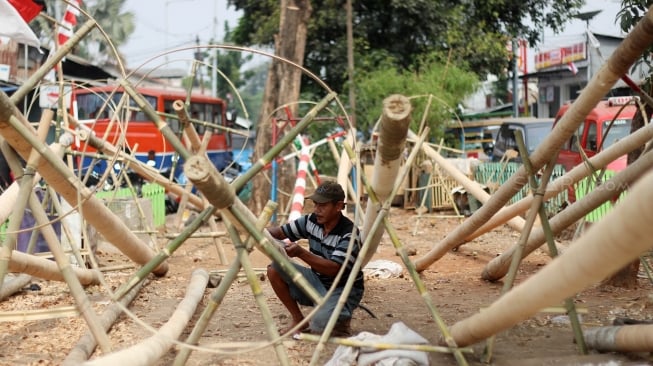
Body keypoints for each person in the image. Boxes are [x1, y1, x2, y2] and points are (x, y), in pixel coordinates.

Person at [266, 181, 364, 337]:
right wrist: (257, 231)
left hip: (342, 289)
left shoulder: (349, 234)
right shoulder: (311, 221)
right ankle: (299, 319)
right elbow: (279, 233)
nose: (317, 210)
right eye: (315, 204)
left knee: (319, 325)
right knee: (274, 269)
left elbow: (334, 269)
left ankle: (341, 316)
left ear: (338, 206)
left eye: (322, 206)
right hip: (318, 281)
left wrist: (301, 253)